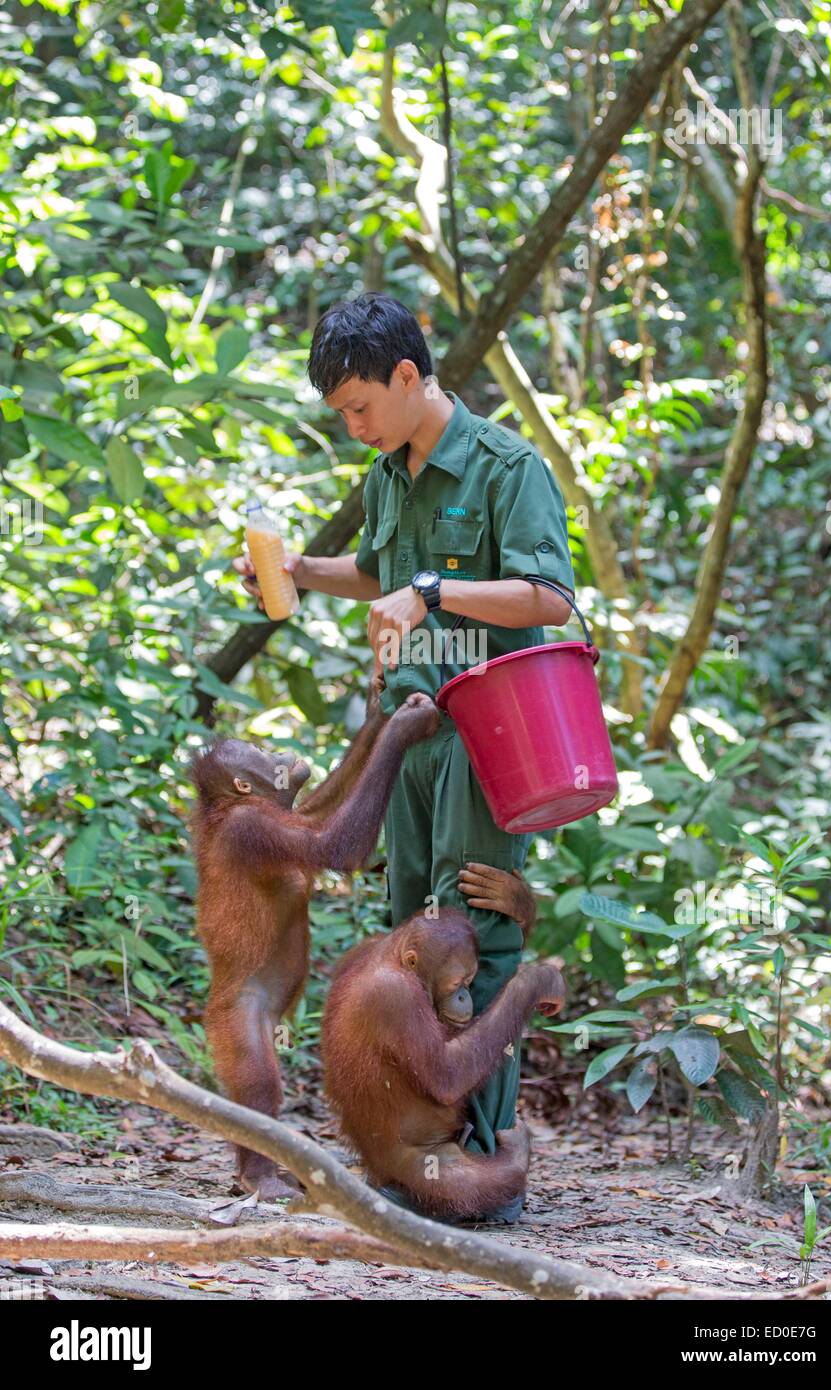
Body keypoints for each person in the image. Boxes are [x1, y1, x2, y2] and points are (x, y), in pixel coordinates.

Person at [235, 292, 575, 1221]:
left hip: (486, 740)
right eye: (339, 413)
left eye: (358, 406)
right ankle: (412, 1153)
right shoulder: (388, 472)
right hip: (407, 743)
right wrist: (303, 573)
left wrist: (436, 590)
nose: (351, 427)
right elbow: (383, 579)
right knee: (407, 937)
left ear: (409, 377)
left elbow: (550, 599)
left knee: (478, 930)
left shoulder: (508, 468)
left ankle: (481, 1163)